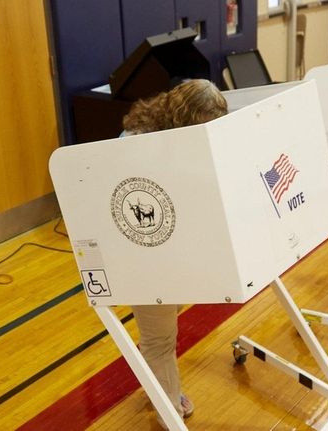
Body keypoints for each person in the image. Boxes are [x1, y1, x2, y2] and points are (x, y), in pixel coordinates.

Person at [121, 79, 228, 424]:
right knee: (159, 337)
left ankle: (158, 380)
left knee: (165, 329)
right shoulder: (136, 144)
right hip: (142, 250)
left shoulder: (177, 133)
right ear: (184, 118)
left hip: (177, 247)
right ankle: (167, 406)